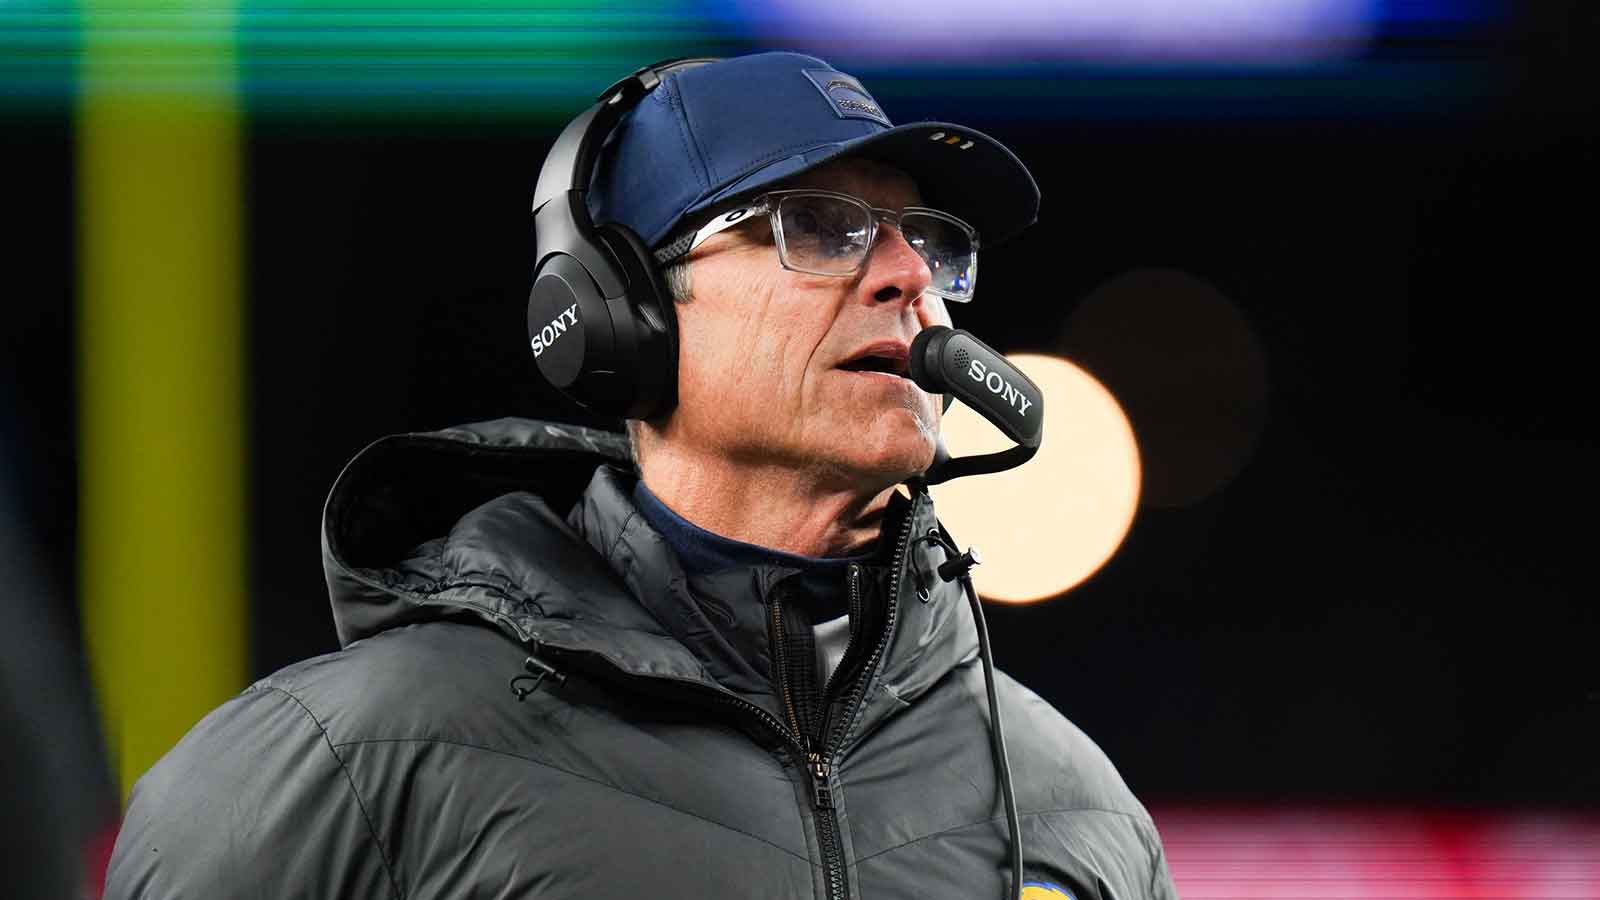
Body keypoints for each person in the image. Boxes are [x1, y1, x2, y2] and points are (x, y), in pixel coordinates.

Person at [106, 52, 1177, 900]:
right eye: (818, 225)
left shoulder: (1073, 805)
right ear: (620, 316)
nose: (906, 276)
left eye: (929, 241)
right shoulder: (340, 766)